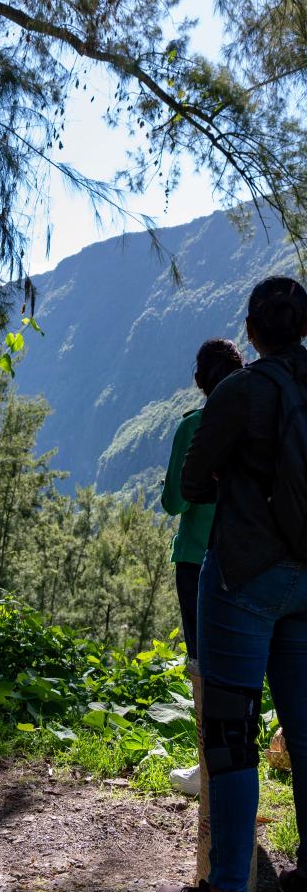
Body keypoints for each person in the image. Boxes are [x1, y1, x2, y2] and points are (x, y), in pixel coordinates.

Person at [156, 276, 307, 892]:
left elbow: (191, 484)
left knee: (229, 732)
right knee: (303, 726)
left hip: (243, 575)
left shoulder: (237, 392)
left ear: (252, 330)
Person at [162, 339, 244, 795]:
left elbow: (174, 500)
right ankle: (242, 760)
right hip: (254, 557)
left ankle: (207, 770)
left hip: (197, 559)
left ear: (200, 382)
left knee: (202, 666)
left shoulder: (193, 425)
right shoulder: (257, 422)